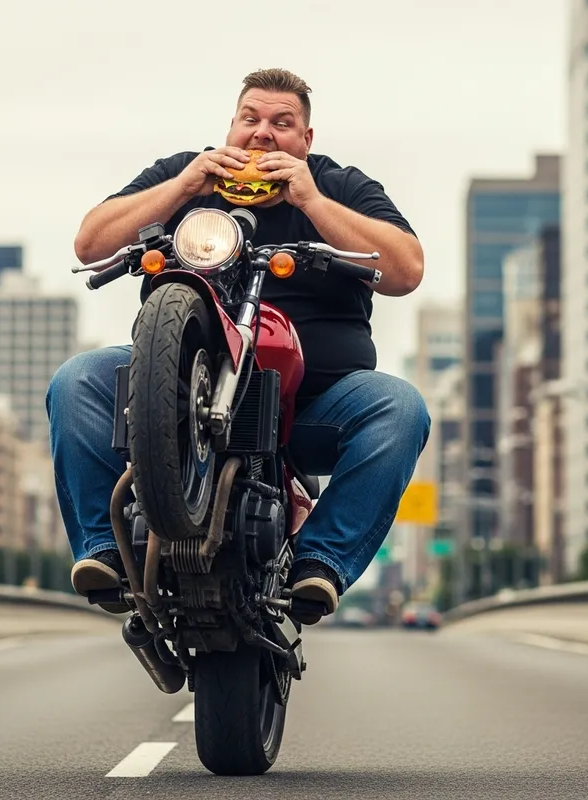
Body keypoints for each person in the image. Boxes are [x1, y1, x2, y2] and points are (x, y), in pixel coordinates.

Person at [47, 68, 430, 624]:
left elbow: (405, 269)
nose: (262, 134)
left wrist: (312, 200)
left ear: (306, 139)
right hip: (172, 395)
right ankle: (103, 551)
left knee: (401, 408)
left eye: (282, 123)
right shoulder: (184, 173)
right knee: (77, 381)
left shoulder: (339, 185)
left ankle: (319, 563)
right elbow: (90, 242)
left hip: (313, 407)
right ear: (230, 126)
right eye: (250, 119)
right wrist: (184, 187)